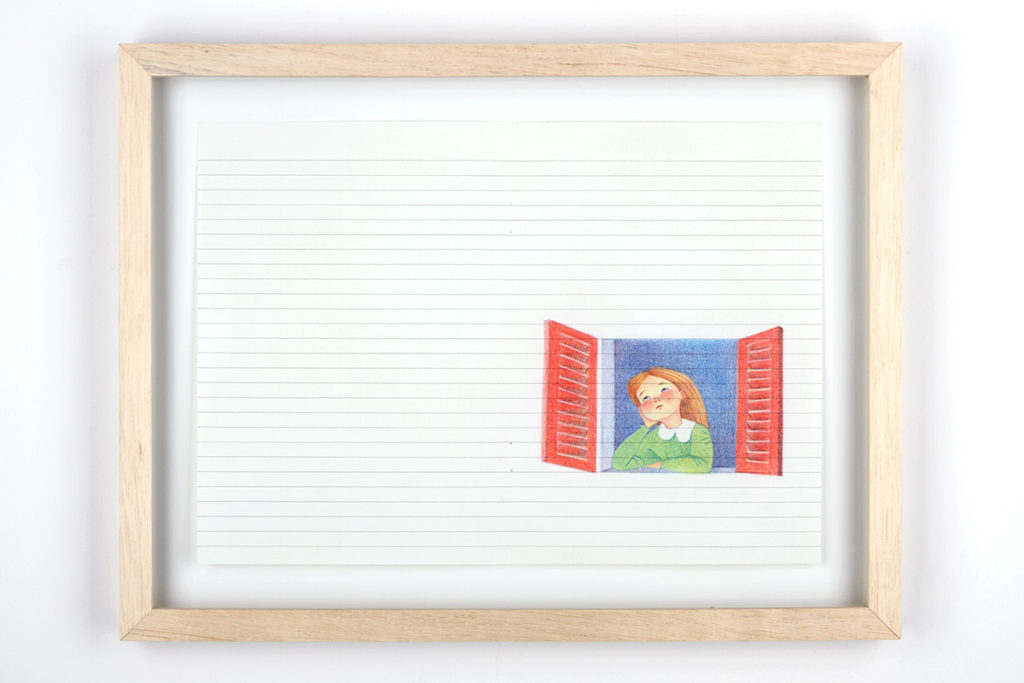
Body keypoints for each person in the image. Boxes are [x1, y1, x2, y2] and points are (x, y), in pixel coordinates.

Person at [612, 367, 714, 473]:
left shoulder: (698, 432)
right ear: (641, 410)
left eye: (664, 389)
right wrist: (645, 427)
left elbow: (703, 466)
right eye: (646, 398)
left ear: (681, 393)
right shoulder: (653, 438)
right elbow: (621, 464)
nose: (656, 399)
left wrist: (661, 464)